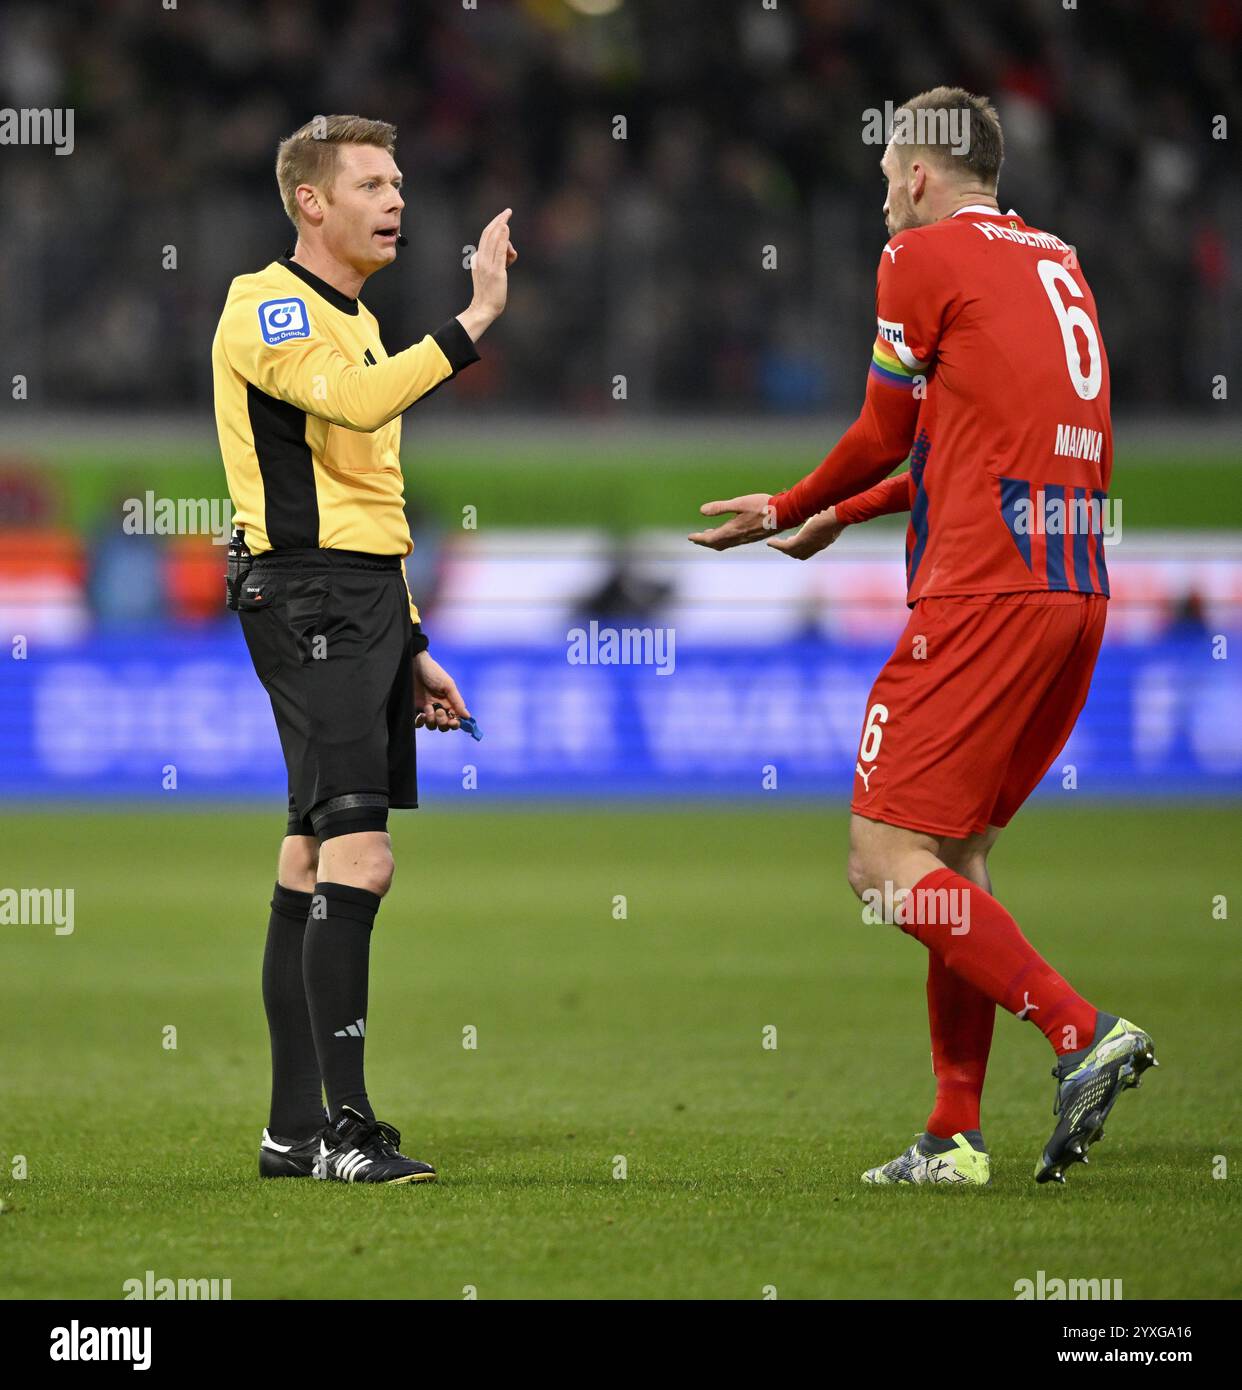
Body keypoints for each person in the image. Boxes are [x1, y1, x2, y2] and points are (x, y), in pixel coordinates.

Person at [690, 88, 1156, 1186]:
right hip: (1073, 596)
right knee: (955, 861)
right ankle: (953, 1135)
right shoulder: (1058, 266)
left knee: (882, 863)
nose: (884, 205)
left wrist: (787, 498)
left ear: (915, 174)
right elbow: (963, 449)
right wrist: (838, 516)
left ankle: (1080, 1029)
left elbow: (885, 428)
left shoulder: (924, 257)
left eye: (885, 182)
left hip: (981, 602)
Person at [212, 114, 515, 1184]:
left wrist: (415, 638)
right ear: (312, 202)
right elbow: (348, 404)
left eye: (398, 182)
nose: (397, 201)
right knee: (362, 855)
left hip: (364, 599)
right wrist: (472, 321)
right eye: (374, 183)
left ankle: (293, 1133)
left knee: (308, 856)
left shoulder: (360, 319)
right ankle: (348, 1131)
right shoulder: (271, 304)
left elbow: (368, 495)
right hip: (306, 599)